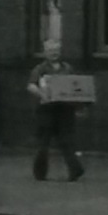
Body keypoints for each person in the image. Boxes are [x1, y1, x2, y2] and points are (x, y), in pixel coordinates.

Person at [27, 39, 85, 182]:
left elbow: (75, 87)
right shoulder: (40, 69)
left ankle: (75, 170)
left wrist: (78, 105)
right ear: (45, 52)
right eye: (51, 51)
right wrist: (41, 93)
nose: (54, 53)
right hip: (46, 110)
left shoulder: (67, 68)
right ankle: (40, 173)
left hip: (65, 110)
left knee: (67, 141)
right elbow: (31, 85)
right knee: (43, 143)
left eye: (56, 50)